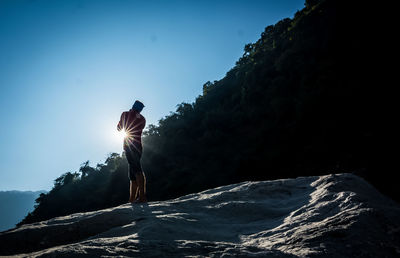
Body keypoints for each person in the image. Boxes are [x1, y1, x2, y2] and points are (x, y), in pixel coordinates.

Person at [117, 100, 147, 203]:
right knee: (133, 174)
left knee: (137, 169)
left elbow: (119, 128)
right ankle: (132, 200)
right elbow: (140, 127)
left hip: (129, 145)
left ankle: (142, 197)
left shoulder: (125, 114)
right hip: (139, 146)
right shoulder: (143, 119)